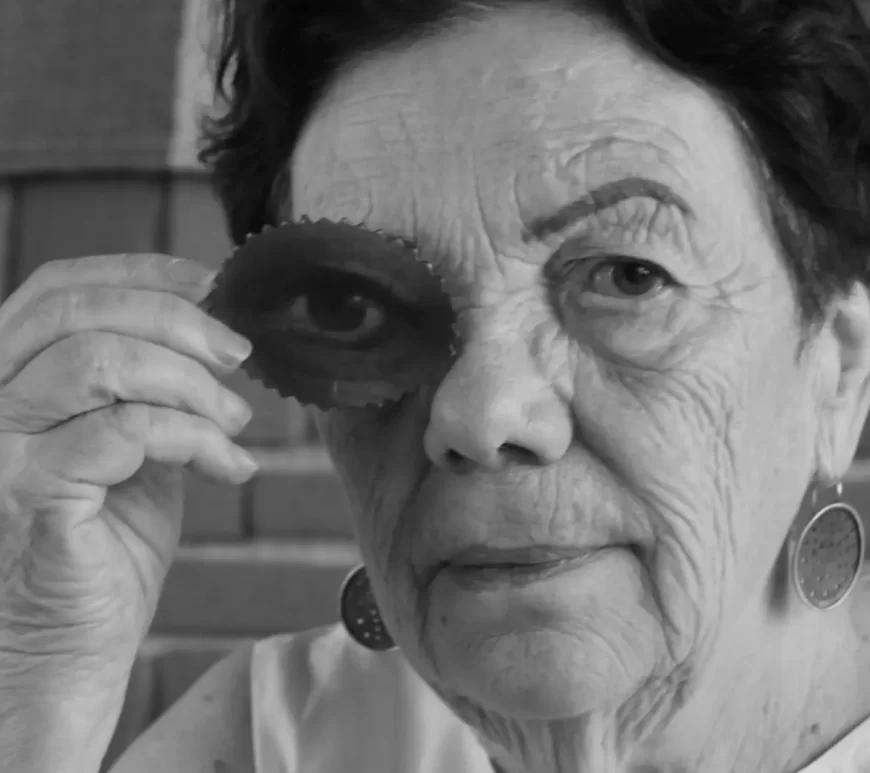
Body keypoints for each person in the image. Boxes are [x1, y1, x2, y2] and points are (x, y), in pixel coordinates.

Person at [0, 0, 869, 771]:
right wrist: (33, 684)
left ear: (840, 371)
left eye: (628, 276)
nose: (480, 414)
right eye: (354, 302)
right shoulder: (262, 739)